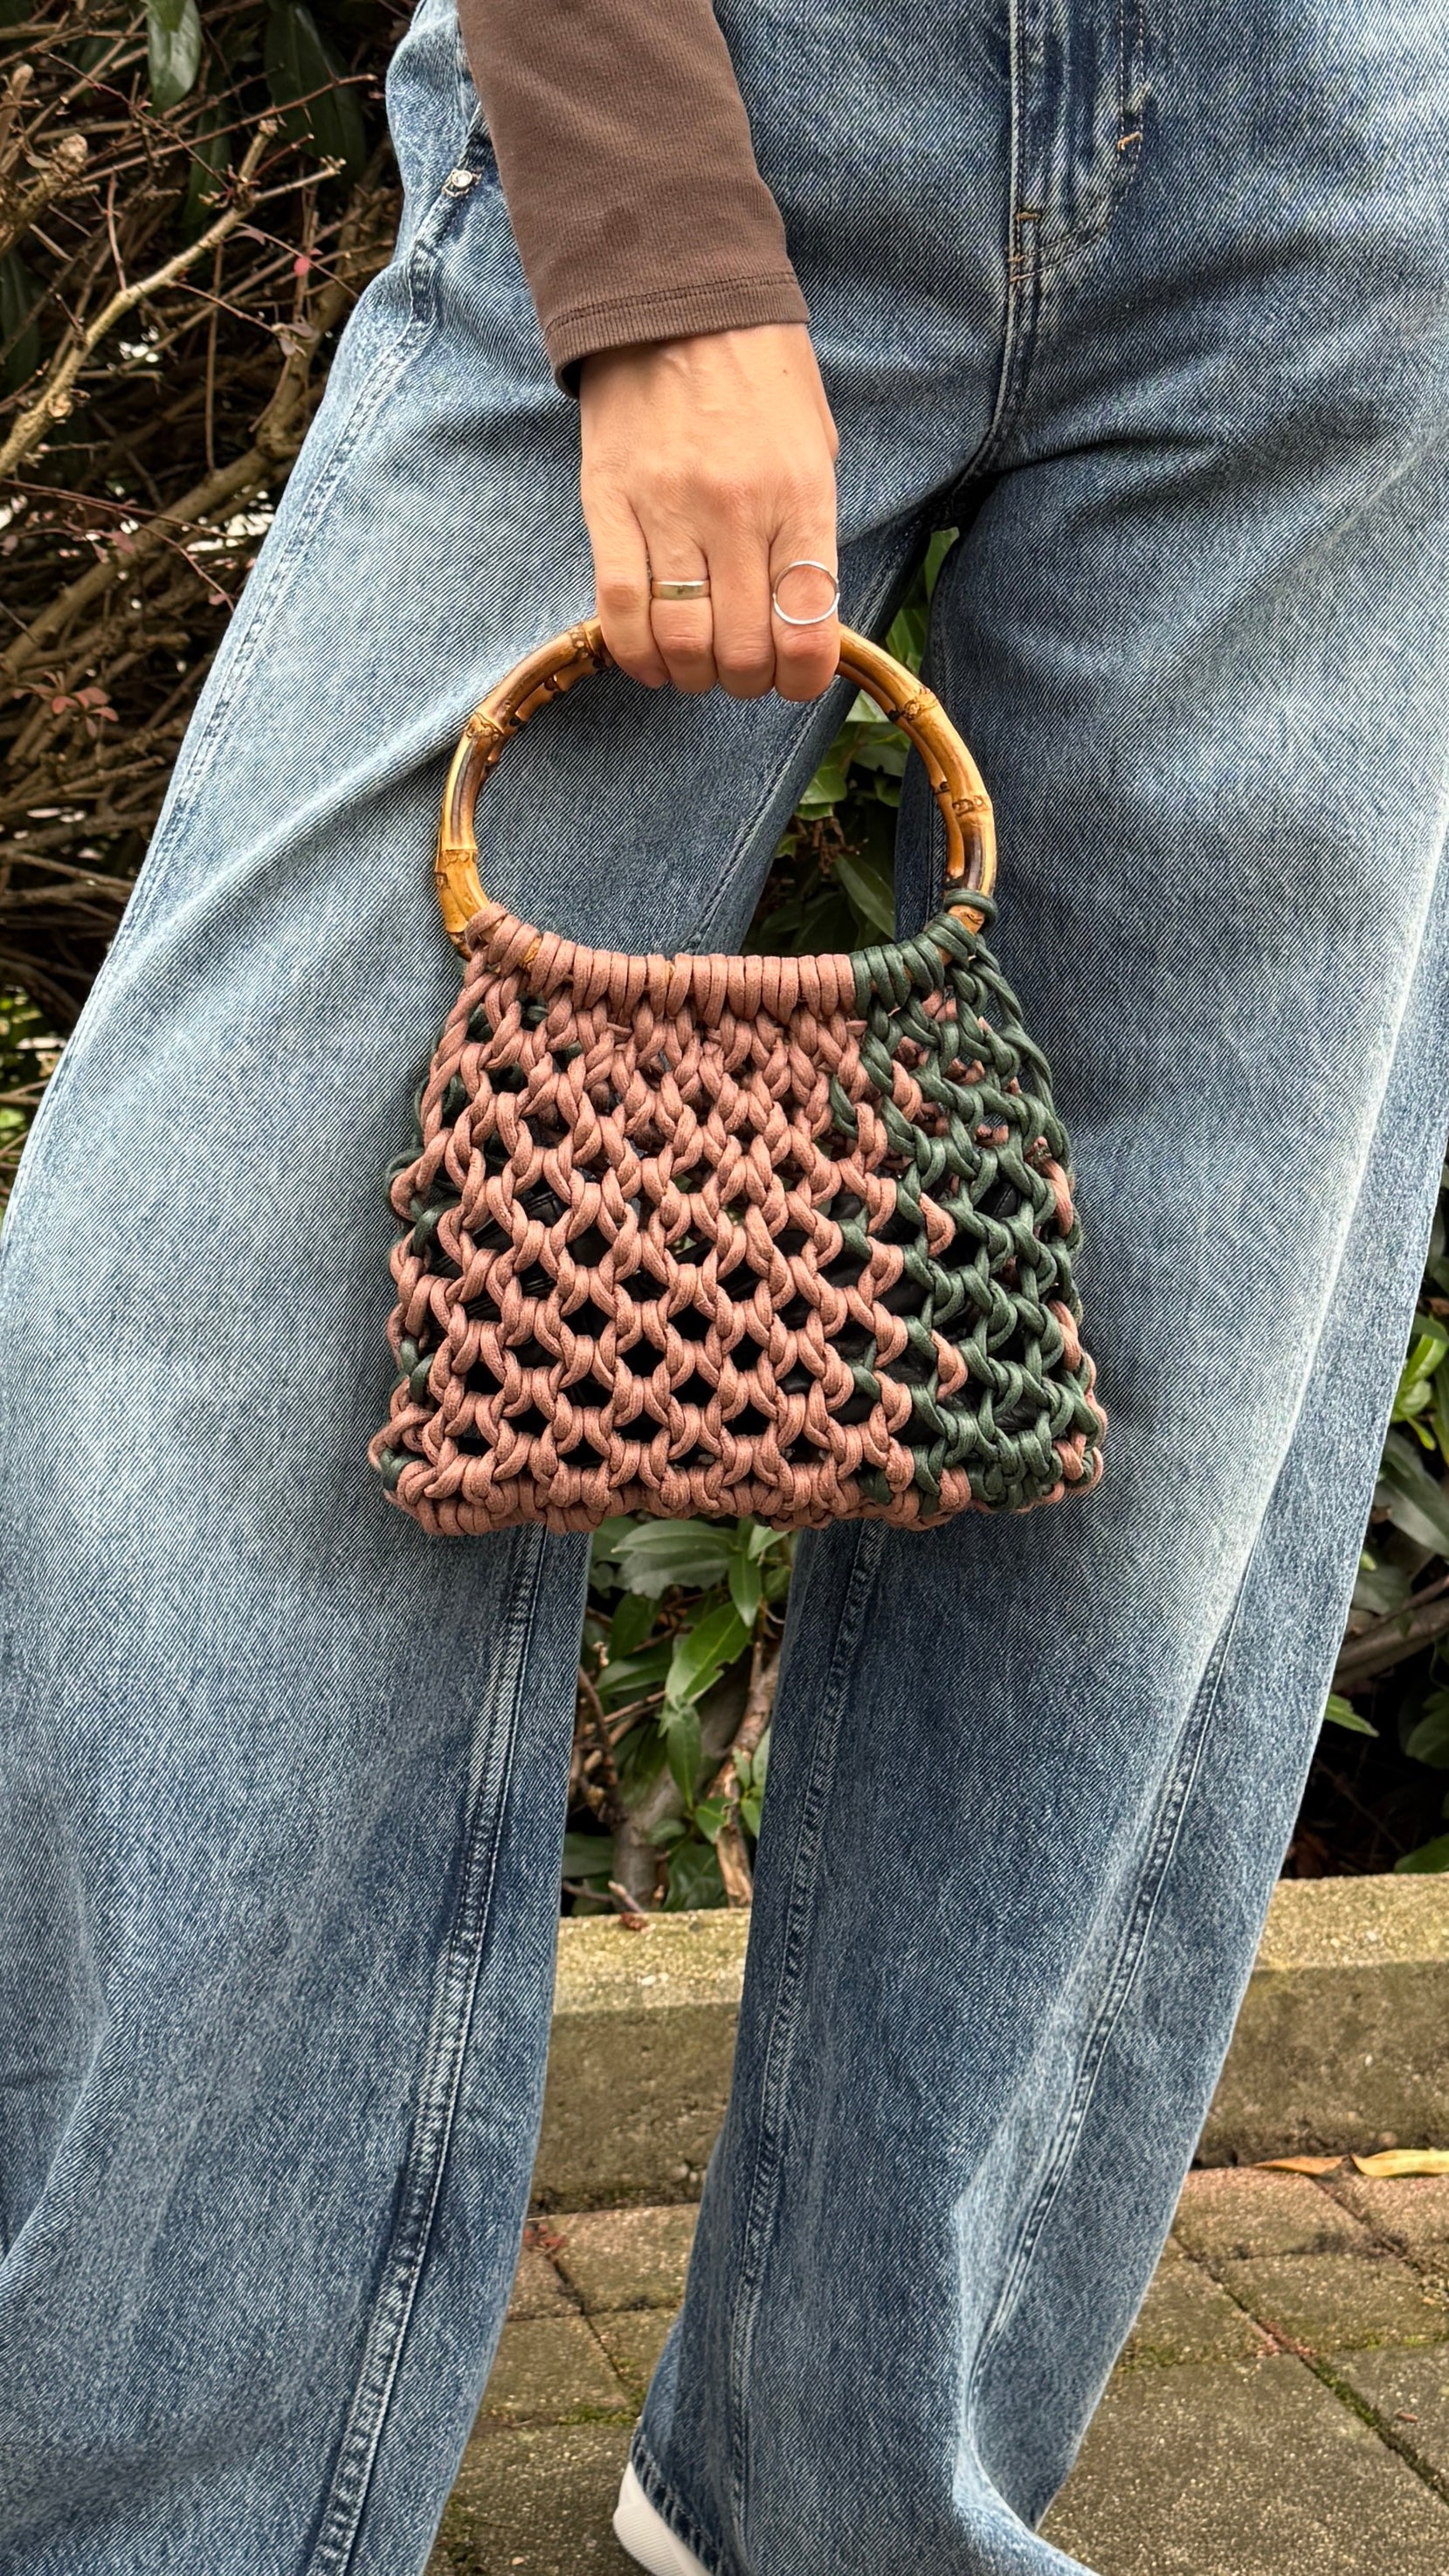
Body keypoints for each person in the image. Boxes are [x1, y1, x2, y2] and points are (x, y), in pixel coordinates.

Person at [1, 0, 1446, 2569]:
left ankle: (852, 2494)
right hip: (738, 71)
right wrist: (648, 227)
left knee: (1153, 1408)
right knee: (208, 1336)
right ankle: (147, 2513)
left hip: (1360, 159)